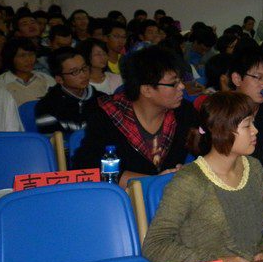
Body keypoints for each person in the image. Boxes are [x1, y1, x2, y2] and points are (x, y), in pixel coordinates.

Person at [142, 92, 263, 262]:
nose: (255, 130)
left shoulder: (253, 167)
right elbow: (155, 245)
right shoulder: (189, 180)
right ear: (221, 130)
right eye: (247, 125)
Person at [74, 46, 196, 186]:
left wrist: (189, 170)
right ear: (147, 90)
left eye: (181, 80)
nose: (182, 87)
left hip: (171, 194)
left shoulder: (184, 112)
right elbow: (87, 166)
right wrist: (151, 183)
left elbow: (206, 149)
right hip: (123, 196)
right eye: (174, 83)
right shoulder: (108, 116)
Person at [35, 47, 97, 135]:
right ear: (59, 79)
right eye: (75, 72)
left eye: (84, 68)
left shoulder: (102, 99)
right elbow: (55, 141)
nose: (83, 75)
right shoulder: (46, 107)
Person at [0, 37, 55, 106]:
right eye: (22, 56)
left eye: (31, 54)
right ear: (10, 58)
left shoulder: (46, 79)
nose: (29, 60)